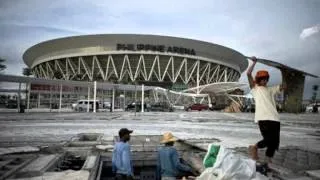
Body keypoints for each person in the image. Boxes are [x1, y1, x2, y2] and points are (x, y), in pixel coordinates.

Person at [247, 56, 286, 164]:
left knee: (274, 142)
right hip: (263, 118)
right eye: (262, 79)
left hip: (275, 118)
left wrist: (283, 72)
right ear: (258, 80)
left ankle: (268, 160)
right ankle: (255, 147)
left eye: (266, 79)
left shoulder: (270, 89)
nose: (264, 81)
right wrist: (253, 63)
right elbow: (248, 74)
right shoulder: (255, 88)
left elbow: (283, 87)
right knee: (268, 139)